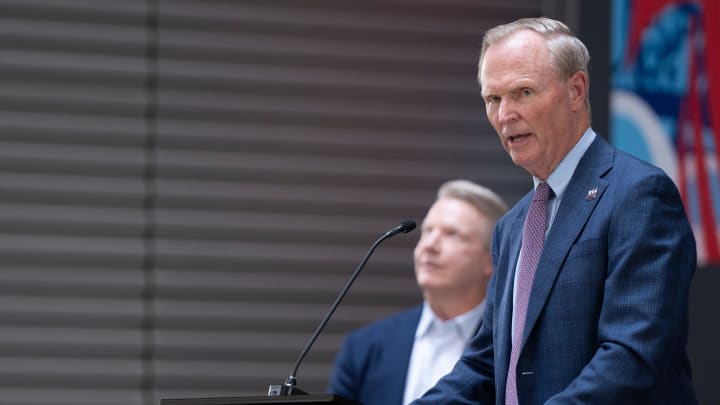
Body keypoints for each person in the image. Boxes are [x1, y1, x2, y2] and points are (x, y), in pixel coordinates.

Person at [412, 17, 697, 405]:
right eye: (493, 99)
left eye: (523, 92)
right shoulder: (512, 226)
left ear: (576, 90)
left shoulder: (639, 193)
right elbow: (486, 366)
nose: (504, 115)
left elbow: (631, 357)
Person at [328, 180, 508, 405]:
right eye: (427, 231)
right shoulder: (365, 348)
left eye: (452, 234)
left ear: (492, 258)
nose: (430, 245)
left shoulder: (509, 347)